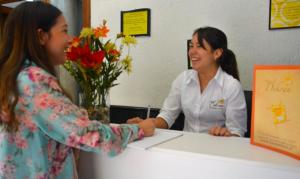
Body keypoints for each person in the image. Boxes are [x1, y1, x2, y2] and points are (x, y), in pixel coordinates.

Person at [0, 2, 154, 178]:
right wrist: (138, 130)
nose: (69, 39)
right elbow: (86, 134)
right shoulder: (34, 80)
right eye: (64, 30)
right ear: (41, 36)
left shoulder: (12, 77)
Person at [128, 27, 247, 137]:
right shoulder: (183, 79)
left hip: (218, 152)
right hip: (186, 148)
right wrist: (150, 123)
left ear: (217, 53)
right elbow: (167, 116)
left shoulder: (231, 86)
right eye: (191, 46)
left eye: (199, 46)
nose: (192, 52)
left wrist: (226, 134)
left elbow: (237, 132)